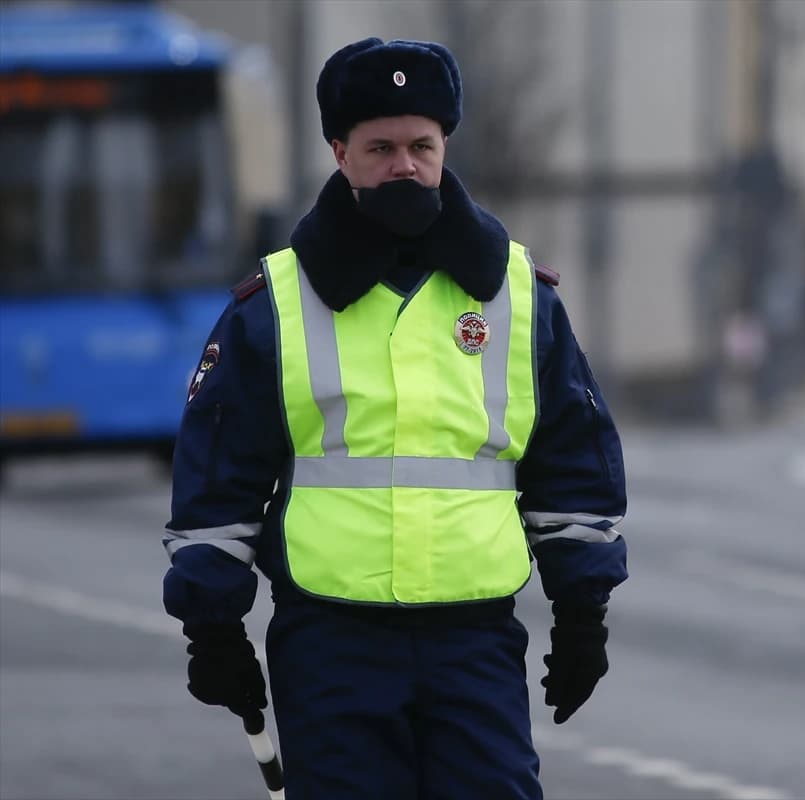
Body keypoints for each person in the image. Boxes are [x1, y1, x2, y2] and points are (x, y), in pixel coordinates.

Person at [161, 37, 628, 799]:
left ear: (445, 147)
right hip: (330, 643)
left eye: (421, 145)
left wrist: (583, 615)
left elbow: (571, 465)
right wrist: (212, 628)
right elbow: (219, 479)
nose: (404, 165)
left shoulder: (518, 294)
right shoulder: (272, 306)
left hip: (474, 641)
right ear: (340, 152)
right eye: (381, 147)